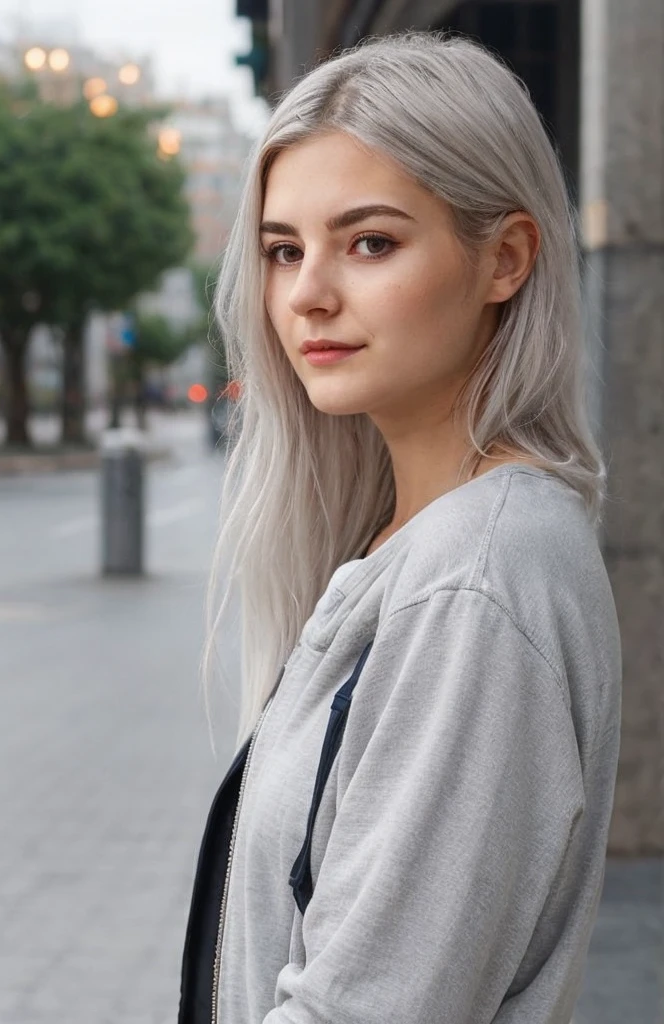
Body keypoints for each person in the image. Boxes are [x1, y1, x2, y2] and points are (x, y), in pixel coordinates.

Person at [178, 31, 622, 1024]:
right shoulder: (420, 542)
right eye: (283, 250)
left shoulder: (473, 581)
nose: (306, 294)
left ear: (503, 258)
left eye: (368, 241)